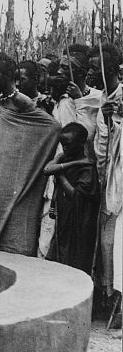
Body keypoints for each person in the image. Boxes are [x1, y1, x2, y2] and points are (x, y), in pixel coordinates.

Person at [0, 53, 60, 256]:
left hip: (14, 178)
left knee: (13, 237)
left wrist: (32, 160)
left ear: (8, 76)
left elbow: (53, 127)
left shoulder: (21, 101)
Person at [43, 123, 100, 273]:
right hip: (64, 220)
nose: (65, 148)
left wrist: (61, 175)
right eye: (63, 145)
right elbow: (47, 169)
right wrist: (72, 163)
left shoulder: (87, 168)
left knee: (72, 263)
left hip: (78, 226)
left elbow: (77, 197)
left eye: (68, 144)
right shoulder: (65, 158)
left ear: (81, 142)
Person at [92, 43, 122, 304]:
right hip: (109, 178)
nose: (90, 74)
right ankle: (110, 295)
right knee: (107, 241)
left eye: (94, 68)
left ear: (109, 69)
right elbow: (101, 149)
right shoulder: (102, 99)